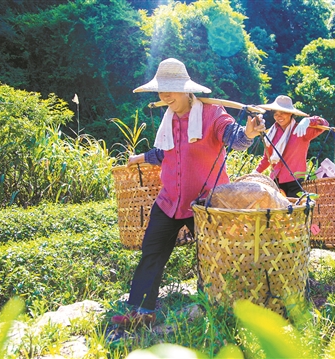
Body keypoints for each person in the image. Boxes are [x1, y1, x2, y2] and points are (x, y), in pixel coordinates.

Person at [110, 58, 265, 326]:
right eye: (161, 90)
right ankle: (140, 311)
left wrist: (248, 133)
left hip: (205, 204)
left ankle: (226, 306)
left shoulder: (213, 114)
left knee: (216, 257)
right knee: (152, 252)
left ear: (186, 89)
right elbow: (166, 153)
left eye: (170, 89)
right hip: (169, 200)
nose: (165, 95)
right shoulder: (168, 119)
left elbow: (233, 137)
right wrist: (141, 158)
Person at [253, 95, 328, 197]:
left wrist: (309, 121)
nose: (279, 117)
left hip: (295, 180)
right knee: (277, 211)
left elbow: (325, 124)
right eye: (276, 114)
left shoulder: (301, 130)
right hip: (276, 180)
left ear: (291, 114)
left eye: (283, 113)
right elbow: (267, 158)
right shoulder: (272, 133)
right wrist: (256, 172)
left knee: (295, 210)